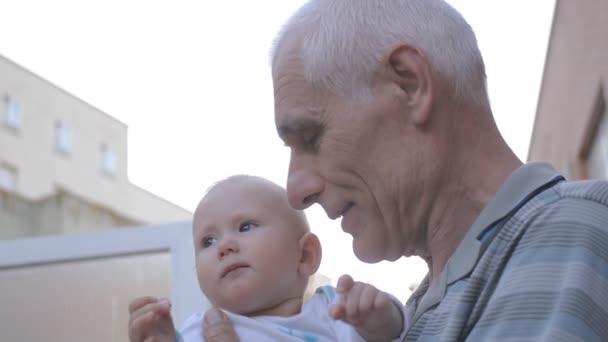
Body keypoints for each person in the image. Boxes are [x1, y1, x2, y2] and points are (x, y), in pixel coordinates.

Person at [203, 0, 608, 341]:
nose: (295, 191)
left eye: (310, 137)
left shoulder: (572, 232)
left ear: (409, 85)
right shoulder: (407, 315)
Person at [128, 175, 408, 342]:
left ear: (305, 256)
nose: (223, 246)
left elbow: (392, 334)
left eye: (246, 226)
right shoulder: (201, 330)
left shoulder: (333, 309)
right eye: (207, 241)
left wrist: (379, 318)